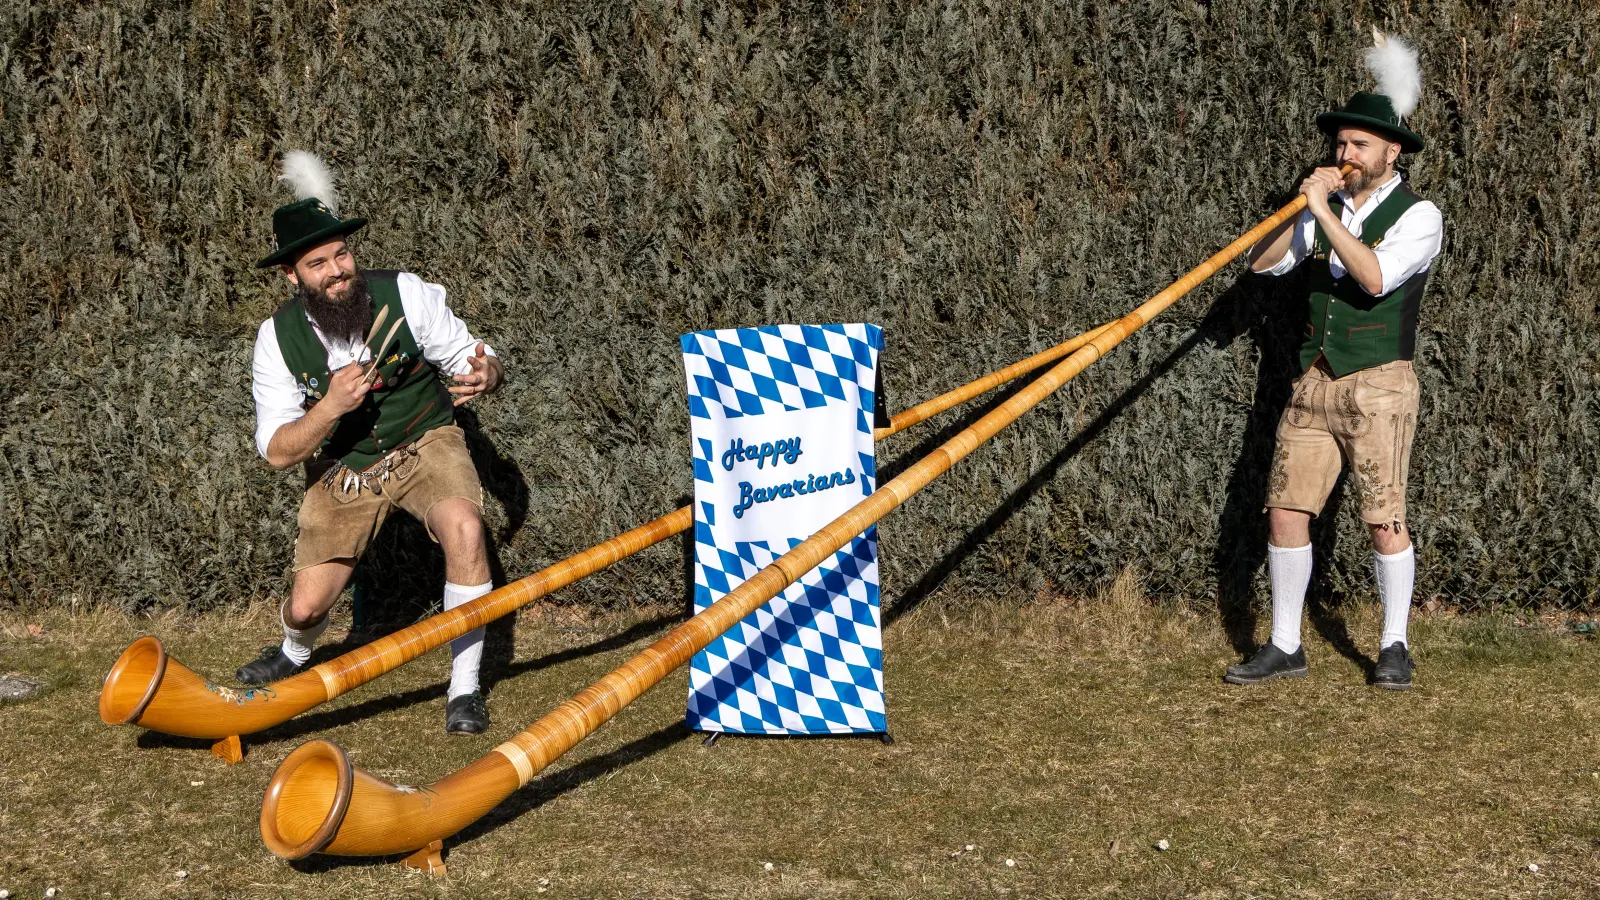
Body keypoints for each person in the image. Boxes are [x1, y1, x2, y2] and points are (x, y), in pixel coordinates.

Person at [239, 152, 505, 733]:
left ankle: (464, 690)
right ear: (293, 276)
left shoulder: (407, 294)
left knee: (464, 526)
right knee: (308, 605)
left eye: (341, 255)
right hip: (346, 467)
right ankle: (295, 649)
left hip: (423, 441)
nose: (337, 271)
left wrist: (486, 373)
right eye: (318, 264)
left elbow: (471, 356)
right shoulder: (275, 340)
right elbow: (278, 451)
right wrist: (332, 405)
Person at [1226, 35, 1443, 690]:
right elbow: (1261, 264)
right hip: (1314, 379)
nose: (1345, 156)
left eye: (1359, 146)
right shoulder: (1323, 209)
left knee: (1385, 518)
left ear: (1391, 152)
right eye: (1341, 144)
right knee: (1286, 508)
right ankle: (1287, 645)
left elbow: (1374, 278)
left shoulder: (1420, 215)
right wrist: (1295, 211)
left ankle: (1395, 645)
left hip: (1379, 384)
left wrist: (1324, 212)